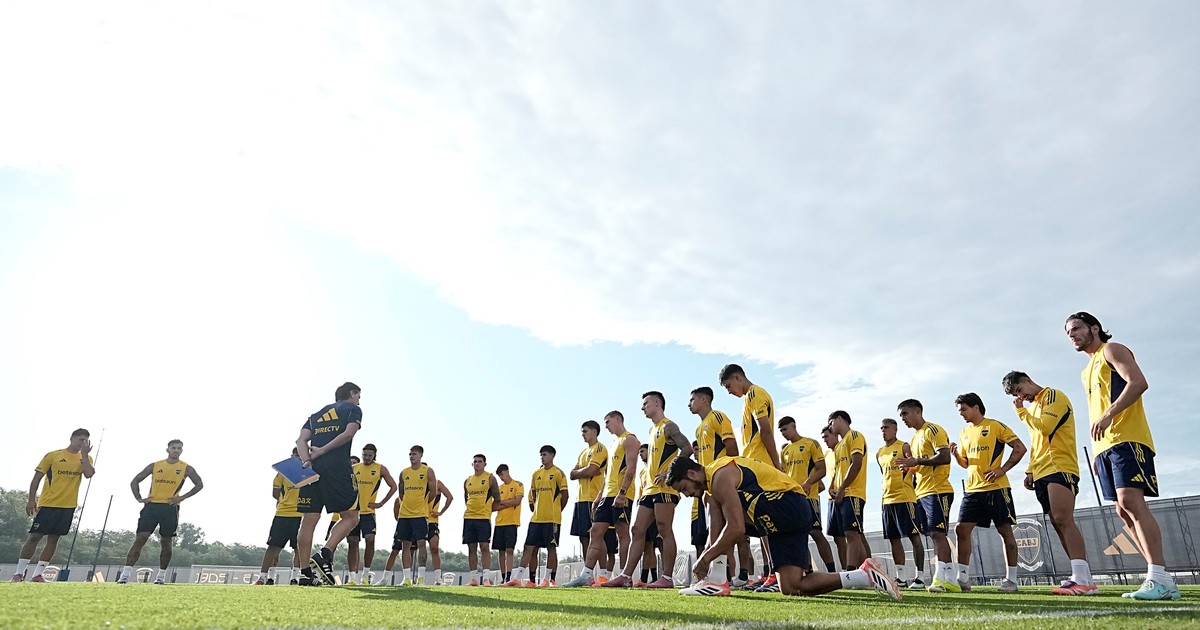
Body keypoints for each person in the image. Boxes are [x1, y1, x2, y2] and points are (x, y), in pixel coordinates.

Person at [668, 455, 902, 601]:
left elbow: (736, 528)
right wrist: (707, 558)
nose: (686, 495)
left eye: (684, 488)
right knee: (792, 586)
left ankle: (717, 580)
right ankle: (863, 575)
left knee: (713, 502)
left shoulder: (719, 476)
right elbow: (721, 531)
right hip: (786, 515)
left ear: (692, 473)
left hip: (788, 505)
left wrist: (706, 558)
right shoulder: (713, 481)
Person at [1066, 312, 1178, 600]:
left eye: (1076, 328)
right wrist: (1097, 451)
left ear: (1094, 328)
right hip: (1105, 447)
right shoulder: (1085, 371)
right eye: (1068, 332)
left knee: (1131, 501)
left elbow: (1138, 382)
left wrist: (1108, 415)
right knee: (1122, 511)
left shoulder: (1112, 350)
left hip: (1128, 437)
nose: (1072, 335)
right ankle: (1162, 579)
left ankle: (1158, 576)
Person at [1003, 370, 1095, 596]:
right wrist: (1031, 469)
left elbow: (1046, 427)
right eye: (1016, 395)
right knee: (1056, 522)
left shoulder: (1053, 395)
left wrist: (1021, 413)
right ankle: (1082, 576)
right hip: (1042, 470)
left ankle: (1083, 579)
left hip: (1060, 465)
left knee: (1064, 519)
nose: (1021, 397)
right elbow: (1038, 441)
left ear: (1027, 381)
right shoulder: (1034, 407)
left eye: (1020, 390)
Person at [603, 392, 693, 588]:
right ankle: (626, 575)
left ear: (657, 403)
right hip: (650, 489)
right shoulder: (652, 430)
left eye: (645, 403)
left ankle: (667, 578)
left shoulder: (669, 426)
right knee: (637, 529)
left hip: (665, 489)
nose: (642, 407)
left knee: (664, 528)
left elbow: (687, 448)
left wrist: (670, 472)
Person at [950, 392, 1027, 593]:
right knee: (961, 529)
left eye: (964, 410)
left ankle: (1011, 580)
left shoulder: (995, 426)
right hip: (972, 490)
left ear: (976, 407)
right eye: (959, 411)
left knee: (1005, 532)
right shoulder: (964, 432)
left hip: (997, 488)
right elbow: (966, 463)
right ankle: (962, 579)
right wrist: (956, 455)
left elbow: (1020, 448)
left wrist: (1003, 469)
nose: (961, 414)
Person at [295, 382, 363, 586]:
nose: (359, 400)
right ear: (352, 393)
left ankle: (305, 573)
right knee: (351, 517)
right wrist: (323, 451)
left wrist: (307, 460)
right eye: (358, 396)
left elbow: (300, 441)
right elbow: (349, 434)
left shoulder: (316, 415)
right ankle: (325, 554)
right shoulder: (352, 409)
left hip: (311, 470)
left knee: (309, 520)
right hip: (338, 468)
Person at [561, 411, 638, 587]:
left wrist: (623, 492)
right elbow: (608, 474)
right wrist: (599, 496)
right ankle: (586, 575)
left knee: (622, 533)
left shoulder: (630, 439)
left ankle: (625, 576)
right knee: (595, 532)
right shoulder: (613, 444)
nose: (606, 426)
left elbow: (631, 467)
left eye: (608, 422)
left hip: (621, 494)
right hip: (607, 495)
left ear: (618, 419)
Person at [719, 365, 779, 590]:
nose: (729, 391)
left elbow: (765, 430)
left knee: (768, 523)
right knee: (762, 524)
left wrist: (776, 464)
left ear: (737, 377)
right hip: (754, 466)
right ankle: (769, 573)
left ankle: (775, 574)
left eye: (728, 386)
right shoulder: (748, 399)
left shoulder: (755, 393)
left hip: (761, 467)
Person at [11, 429, 95, 583]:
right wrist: (31, 500)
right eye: (80, 439)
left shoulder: (86, 458)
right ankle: (19, 573)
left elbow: (89, 474)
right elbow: (36, 479)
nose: (82, 443)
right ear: (71, 438)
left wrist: (84, 456)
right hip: (48, 503)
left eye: (85, 440)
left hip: (68, 506)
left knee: (54, 539)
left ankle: (38, 575)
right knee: (35, 537)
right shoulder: (53, 455)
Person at [117, 439, 205, 585]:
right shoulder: (156, 465)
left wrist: (182, 497)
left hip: (170, 507)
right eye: (173, 448)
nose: (176, 450)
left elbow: (199, 484)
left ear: (182, 451)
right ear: (167, 450)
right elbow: (135, 481)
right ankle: (125, 575)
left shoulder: (186, 468)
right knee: (141, 538)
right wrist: (139, 498)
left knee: (166, 541)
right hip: (151, 506)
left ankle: (161, 577)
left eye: (179, 448)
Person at [893, 399, 957, 593]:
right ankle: (951, 580)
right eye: (901, 415)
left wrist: (917, 461)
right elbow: (920, 465)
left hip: (938, 490)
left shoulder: (933, 430)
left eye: (905, 414)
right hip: (922, 492)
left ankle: (940, 579)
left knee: (938, 533)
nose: (903, 418)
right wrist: (910, 467)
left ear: (918, 412)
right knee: (932, 534)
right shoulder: (914, 438)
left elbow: (945, 456)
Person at [688, 386, 749, 586]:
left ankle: (733, 577)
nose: (689, 404)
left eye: (692, 400)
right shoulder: (699, 429)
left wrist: (729, 478)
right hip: (709, 487)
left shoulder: (718, 417)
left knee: (732, 531)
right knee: (715, 533)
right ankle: (719, 577)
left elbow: (732, 447)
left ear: (704, 400)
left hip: (723, 483)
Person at [779, 416, 837, 575]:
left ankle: (832, 571)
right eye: (781, 431)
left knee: (815, 532)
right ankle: (808, 571)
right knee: (799, 535)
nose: (784, 433)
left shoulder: (811, 444)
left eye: (785, 429)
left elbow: (822, 470)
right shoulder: (784, 451)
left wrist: (808, 483)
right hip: (793, 499)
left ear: (794, 426)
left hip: (809, 498)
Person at [876, 418, 926, 589]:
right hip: (887, 500)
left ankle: (920, 577)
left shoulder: (903, 446)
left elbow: (915, 467)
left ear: (895, 430)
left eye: (886, 428)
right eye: (882, 428)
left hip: (905, 498)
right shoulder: (880, 452)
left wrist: (908, 468)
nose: (883, 431)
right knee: (893, 539)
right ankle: (901, 578)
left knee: (914, 536)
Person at [514, 445, 569, 586]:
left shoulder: (558, 473)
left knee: (551, 548)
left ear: (552, 456)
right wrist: (536, 509)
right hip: (536, 518)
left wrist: (556, 510)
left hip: (552, 519)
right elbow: (532, 495)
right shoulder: (536, 474)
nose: (542, 457)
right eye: (541, 455)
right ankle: (520, 579)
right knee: (529, 547)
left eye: (544, 454)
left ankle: (547, 579)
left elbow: (565, 495)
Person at [348, 444, 397, 585]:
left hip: (369, 512)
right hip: (353, 511)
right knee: (352, 542)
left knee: (370, 540)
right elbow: (343, 486)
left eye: (369, 455)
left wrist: (381, 503)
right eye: (364, 455)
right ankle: (352, 577)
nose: (366, 458)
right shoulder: (354, 468)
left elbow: (393, 487)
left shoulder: (380, 468)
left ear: (374, 455)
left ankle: (365, 575)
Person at [255, 448, 304, 586]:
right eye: (296, 455)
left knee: (298, 547)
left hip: (301, 514)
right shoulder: (283, 472)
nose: (298, 458)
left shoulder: (308, 471)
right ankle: (264, 577)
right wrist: (285, 501)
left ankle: (295, 577)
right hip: (283, 513)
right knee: (273, 546)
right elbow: (275, 492)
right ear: (292, 456)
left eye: (301, 456)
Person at [827, 411, 869, 568]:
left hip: (853, 493)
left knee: (852, 533)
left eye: (831, 422)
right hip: (841, 495)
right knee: (848, 534)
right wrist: (832, 488)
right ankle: (864, 570)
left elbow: (856, 463)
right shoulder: (839, 446)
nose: (830, 427)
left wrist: (843, 487)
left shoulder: (855, 435)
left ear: (839, 419)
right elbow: (838, 470)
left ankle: (851, 571)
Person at [389, 445, 435, 586]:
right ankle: (407, 578)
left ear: (421, 455)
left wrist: (422, 504)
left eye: (414, 454)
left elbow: (433, 492)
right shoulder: (404, 473)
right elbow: (401, 493)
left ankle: (421, 577)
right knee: (405, 545)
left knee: (421, 544)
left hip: (420, 514)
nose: (411, 456)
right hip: (404, 515)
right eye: (410, 454)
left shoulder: (427, 471)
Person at [569, 420, 608, 565]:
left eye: (585, 431)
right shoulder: (582, 453)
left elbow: (591, 471)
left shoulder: (599, 448)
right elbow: (572, 474)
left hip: (593, 498)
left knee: (597, 536)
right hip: (580, 498)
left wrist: (583, 472)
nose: (583, 435)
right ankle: (587, 571)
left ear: (594, 431)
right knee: (583, 537)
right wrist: (583, 472)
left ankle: (603, 572)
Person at [462, 453, 500, 586]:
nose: (477, 464)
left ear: (485, 464)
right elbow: (466, 499)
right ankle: (473, 578)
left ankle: (486, 578)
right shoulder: (468, 480)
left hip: (483, 518)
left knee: (484, 547)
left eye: (480, 461)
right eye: (475, 462)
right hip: (469, 518)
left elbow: (497, 498)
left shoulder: (490, 478)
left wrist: (488, 510)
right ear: (472, 464)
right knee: (471, 548)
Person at [411, 476, 453, 586]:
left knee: (434, 547)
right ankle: (419, 578)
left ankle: (438, 579)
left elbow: (450, 497)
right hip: (420, 519)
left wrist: (441, 512)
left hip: (432, 521)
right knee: (417, 548)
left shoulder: (438, 483)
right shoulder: (417, 483)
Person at [493, 464, 524, 585]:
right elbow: (494, 506)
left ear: (507, 472)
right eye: (499, 475)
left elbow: (517, 501)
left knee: (509, 550)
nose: (501, 477)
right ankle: (503, 576)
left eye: (502, 474)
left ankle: (509, 576)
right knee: (501, 551)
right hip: (499, 523)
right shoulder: (499, 488)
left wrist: (503, 502)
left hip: (512, 522)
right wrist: (509, 502)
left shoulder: (518, 484)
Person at [820, 426, 846, 569]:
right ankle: (846, 572)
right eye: (823, 438)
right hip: (832, 500)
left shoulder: (844, 449)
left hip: (846, 495)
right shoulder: (826, 455)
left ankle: (866, 570)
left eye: (827, 436)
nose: (825, 440)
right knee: (838, 539)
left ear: (835, 435)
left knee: (855, 535)